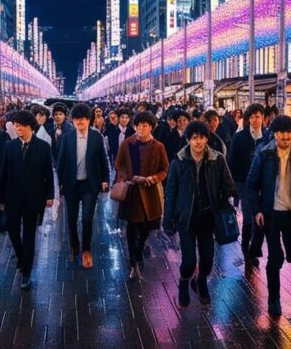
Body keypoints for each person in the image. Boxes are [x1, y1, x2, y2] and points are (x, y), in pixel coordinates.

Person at [245, 115, 291, 318]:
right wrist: (257, 210)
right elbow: (251, 185)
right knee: (276, 255)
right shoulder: (264, 153)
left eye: (289, 132)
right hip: (270, 214)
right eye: (281, 132)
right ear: (274, 134)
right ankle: (274, 297)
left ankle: (273, 289)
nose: (285, 136)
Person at [163, 121, 237, 309]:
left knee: (207, 259)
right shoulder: (178, 163)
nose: (198, 142)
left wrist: (227, 196)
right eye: (194, 138)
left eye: (201, 137)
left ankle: (201, 281)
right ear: (188, 140)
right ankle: (184, 283)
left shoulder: (217, 160)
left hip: (208, 218)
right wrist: (167, 221)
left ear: (207, 139)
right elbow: (170, 193)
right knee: (188, 260)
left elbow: (228, 184)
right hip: (185, 219)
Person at [0, 110, 54, 291]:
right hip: (13, 197)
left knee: (29, 235)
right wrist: (0, 197)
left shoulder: (43, 147)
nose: (17, 128)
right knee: (12, 231)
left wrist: (50, 195)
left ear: (30, 126)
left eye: (20, 125)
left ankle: (26, 273)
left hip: (34, 198)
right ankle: (22, 257)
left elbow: (48, 174)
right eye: (15, 125)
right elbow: (4, 173)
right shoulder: (9, 146)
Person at [114, 110, 168, 280]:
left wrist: (153, 178)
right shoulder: (127, 144)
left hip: (150, 193)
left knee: (146, 227)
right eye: (138, 125)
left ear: (151, 127)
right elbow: (119, 164)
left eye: (145, 125)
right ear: (134, 126)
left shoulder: (159, 146)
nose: (141, 128)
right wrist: (125, 178)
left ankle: (137, 255)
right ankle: (134, 263)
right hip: (131, 192)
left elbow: (164, 169)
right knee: (131, 227)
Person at [56, 104, 110, 268]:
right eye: (77, 119)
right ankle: (74, 246)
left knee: (87, 219)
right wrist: (59, 185)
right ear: (73, 120)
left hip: (89, 184)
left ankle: (86, 250)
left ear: (88, 120)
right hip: (71, 185)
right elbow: (61, 162)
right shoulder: (68, 137)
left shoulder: (96, 137)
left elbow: (103, 160)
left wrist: (106, 178)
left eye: (83, 119)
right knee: (71, 220)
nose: (80, 122)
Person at [228, 103, 271, 267]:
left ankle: (253, 249)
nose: (255, 120)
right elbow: (232, 161)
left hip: (263, 184)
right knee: (249, 214)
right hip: (244, 183)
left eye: (258, 116)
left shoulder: (267, 137)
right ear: (247, 119)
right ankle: (246, 245)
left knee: (261, 216)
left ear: (263, 118)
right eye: (251, 117)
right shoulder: (239, 137)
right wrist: (234, 184)